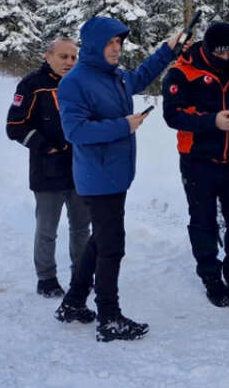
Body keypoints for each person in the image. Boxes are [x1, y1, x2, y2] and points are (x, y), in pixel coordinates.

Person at [53, 17, 181, 342]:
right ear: (95, 44)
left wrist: (168, 50)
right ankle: (109, 318)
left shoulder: (117, 77)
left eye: (119, 43)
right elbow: (75, 131)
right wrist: (123, 126)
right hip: (97, 177)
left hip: (116, 174)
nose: (116, 48)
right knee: (112, 246)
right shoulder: (74, 82)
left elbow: (142, 75)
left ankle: (72, 303)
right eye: (111, 42)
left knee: (100, 240)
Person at [162, 21, 229, 307]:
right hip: (198, 159)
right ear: (206, 48)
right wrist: (212, 121)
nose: (224, 57)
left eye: (228, 52)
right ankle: (211, 278)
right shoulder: (182, 71)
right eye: (218, 53)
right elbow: (173, 115)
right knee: (204, 222)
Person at [6, 38, 89, 298]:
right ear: (48, 56)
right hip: (47, 171)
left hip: (80, 170)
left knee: (81, 228)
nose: (69, 62)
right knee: (47, 229)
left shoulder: (81, 84)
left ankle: (82, 274)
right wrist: (46, 146)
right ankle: (47, 278)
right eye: (63, 57)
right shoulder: (32, 85)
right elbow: (14, 126)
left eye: (73, 57)